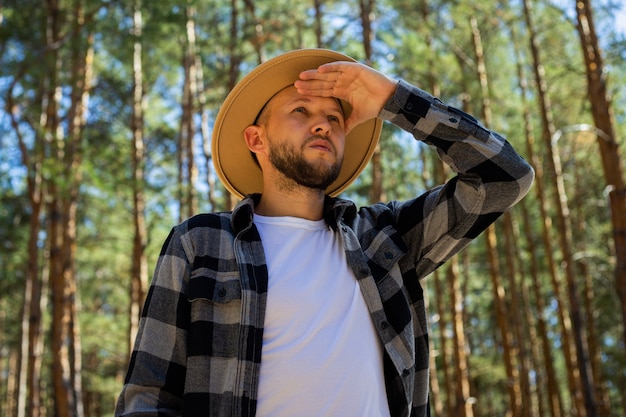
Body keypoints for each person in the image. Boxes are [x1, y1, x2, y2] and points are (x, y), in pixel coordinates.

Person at [115, 49, 534, 417]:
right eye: (301, 111)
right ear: (255, 139)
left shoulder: (384, 238)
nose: (323, 125)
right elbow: (148, 399)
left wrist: (395, 100)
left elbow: (504, 177)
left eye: (334, 117)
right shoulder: (201, 242)